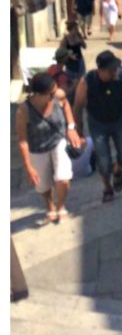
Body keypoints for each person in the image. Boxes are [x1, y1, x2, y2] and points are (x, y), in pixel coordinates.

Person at [72, 51, 122, 204]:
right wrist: (78, 131)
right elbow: (77, 107)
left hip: (118, 120)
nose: (114, 72)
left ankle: (117, 170)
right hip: (97, 123)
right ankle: (107, 187)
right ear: (101, 70)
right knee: (103, 159)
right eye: (111, 69)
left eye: (115, 68)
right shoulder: (87, 81)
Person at [16, 72, 83, 223]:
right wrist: (28, 167)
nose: (57, 92)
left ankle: (60, 206)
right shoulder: (23, 111)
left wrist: (71, 127)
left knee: (63, 178)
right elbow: (22, 141)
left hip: (58, 141)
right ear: (40, 94)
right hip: (37, 148)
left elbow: (65, 104)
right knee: (43, 185)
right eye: (52, 92)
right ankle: (50, 206)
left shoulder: (58, 95)